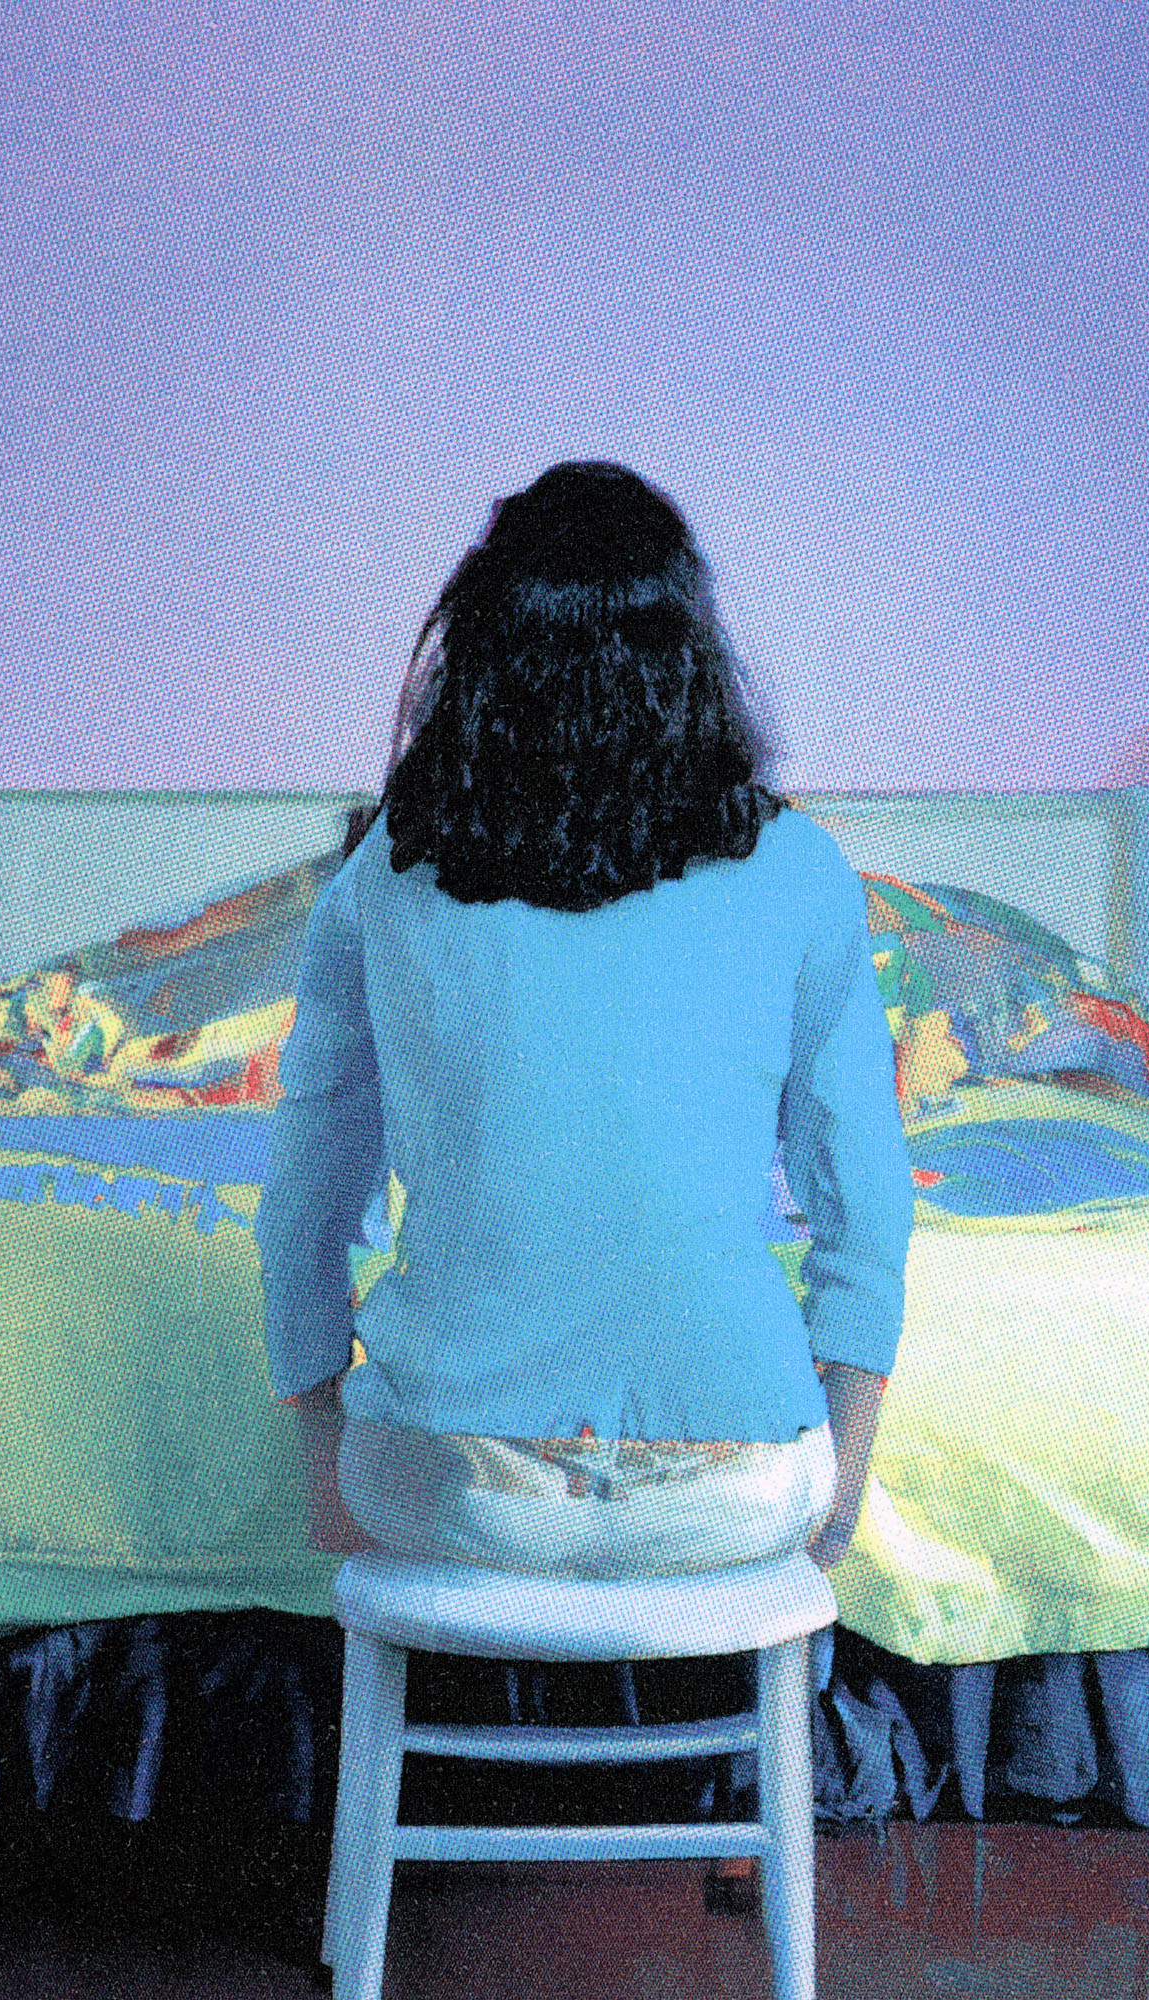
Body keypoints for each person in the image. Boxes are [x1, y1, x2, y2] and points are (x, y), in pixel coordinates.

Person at [256, 461, 912, 1582]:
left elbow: (306, 1197)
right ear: (692, 654)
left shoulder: (385, 876)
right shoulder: (804, 868)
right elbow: (866, 1198)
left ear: (479, 648)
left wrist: (327, 1467)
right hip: (740, 1487)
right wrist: (837, 1494)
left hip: (444, 1485)